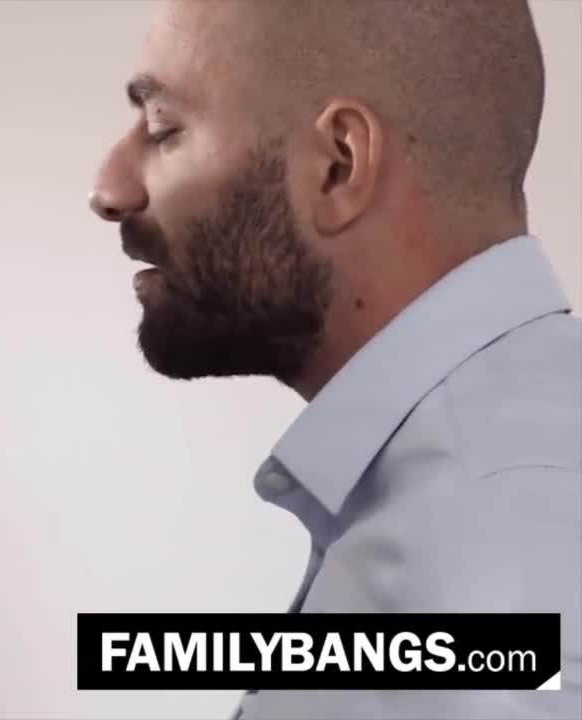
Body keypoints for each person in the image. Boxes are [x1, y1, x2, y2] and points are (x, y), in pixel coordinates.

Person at [88, 1, 579, 718]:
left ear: (338, 166)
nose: (109, 188)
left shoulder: (494, 543)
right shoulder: (506, 468)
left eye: (164, 128)